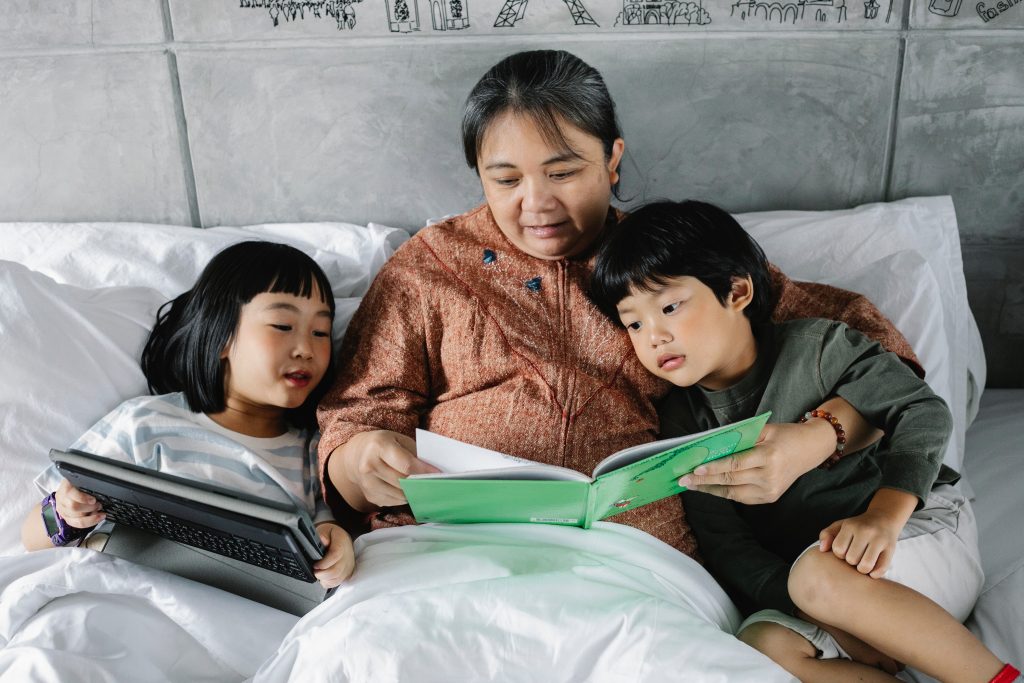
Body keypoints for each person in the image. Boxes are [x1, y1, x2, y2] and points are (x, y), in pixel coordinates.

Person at [316, 49, 920, 557]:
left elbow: (878, 351)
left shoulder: (670, 262)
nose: (536, 204)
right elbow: (353, 420)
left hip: (637, 554)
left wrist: (818, 437)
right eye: (505, 180)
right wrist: (361, 459)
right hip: (449, 548)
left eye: (563, 172)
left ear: (612, 159)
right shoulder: (429, 267)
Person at [589, 199, 1019, 683]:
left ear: (736, 291)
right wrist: (822, 614)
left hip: (915, 533)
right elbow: (729, 546)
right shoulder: (682, 423)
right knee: (763, 642)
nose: (655, 336)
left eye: (669, 307)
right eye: (635, 323)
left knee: (816, 576)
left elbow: (921, 410)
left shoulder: (818, 346)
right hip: (831, 585)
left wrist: (882, 517)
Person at [20, 241, 355, 589]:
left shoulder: (314, 450)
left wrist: (337, 544)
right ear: (222, 334)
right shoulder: (144, 422)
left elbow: (325, 531)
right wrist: (64, 512)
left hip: (245, 604)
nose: (306, 349)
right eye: (283, 326)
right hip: (128, 586)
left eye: (321, 332)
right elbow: (31, 536)